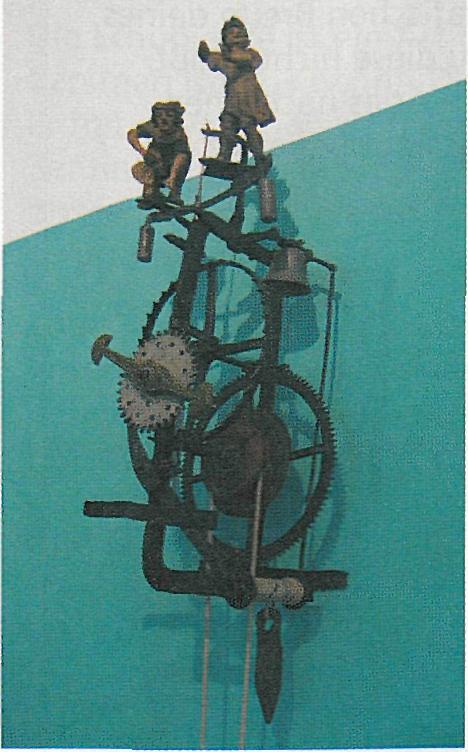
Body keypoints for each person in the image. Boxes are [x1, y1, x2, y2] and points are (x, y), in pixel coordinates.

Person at [198, 17, 275, 165]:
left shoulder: (250, 54)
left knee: (249, 127)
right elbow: (214, 62)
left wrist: (227, 55)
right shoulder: (223, 58)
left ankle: (259, 156)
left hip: (249, 98)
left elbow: (249, 60)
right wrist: (206, 55)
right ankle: (224, 156)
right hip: (233, 98)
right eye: (233, 36)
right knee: (227, 126)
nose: (237, 38)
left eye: (241, 34)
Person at [127, 101, 191, 206]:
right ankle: (151, 194)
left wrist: (172, 177)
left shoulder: (179, 135)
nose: (163, 119)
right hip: (155, 163)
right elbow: (132, 134)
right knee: (143, 168)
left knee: (182, 163)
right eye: (159, 116)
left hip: (173, 166)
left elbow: (181, 157)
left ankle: (174, 194)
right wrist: (142, 151)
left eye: (169, 116)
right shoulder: (152, 127)